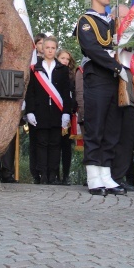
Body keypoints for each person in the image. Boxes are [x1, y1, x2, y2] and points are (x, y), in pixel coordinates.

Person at [76, 0, 127, 196]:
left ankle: (106, 174)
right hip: (97, 77)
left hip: (113, 80)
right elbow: (93, 50)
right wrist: (117, 67)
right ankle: (93, 176)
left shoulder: (112, 21)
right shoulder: (86, 21)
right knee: (95, 127)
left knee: (111, 129)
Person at [24, 36, 72, 184]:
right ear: (42, 49)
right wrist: (30, 111)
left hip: (57, 112)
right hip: (40, 112)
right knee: (41, 143)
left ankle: (53, 175)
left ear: (55, 49)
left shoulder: (63, 69)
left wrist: (66, 113)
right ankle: (42, 174)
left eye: (53, 48)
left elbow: (66, 93)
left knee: (55, 144)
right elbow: (30, 92)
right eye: (47, 48)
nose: (50, 50)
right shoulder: (34, 69)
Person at [110, 5, 134, 192]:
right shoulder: (105, 30)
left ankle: (120, 176)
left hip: (130, 81)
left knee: (127, 135)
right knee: (112, 134)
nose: (128, 20)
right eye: (124, 17)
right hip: (111, 81)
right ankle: (107, 174)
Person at [28, 33, 47, 184]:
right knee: (35, 142)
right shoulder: (31, 63)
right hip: (34, 107)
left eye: (44, 43)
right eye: (39, 43)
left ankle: (47, 172)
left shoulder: (50, 62)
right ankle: (36, 172)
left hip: (49, 108)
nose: (41, 46)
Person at [56, 48, 77, 185]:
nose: (65, 61)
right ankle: (55, 174)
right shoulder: (53, 72)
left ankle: (66, 175)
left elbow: (74, 93)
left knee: (66, 146)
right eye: (62, 58)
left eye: (67, 59)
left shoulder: (72, 76)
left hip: (68, 112)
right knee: (55, 145)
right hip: (55, 112)